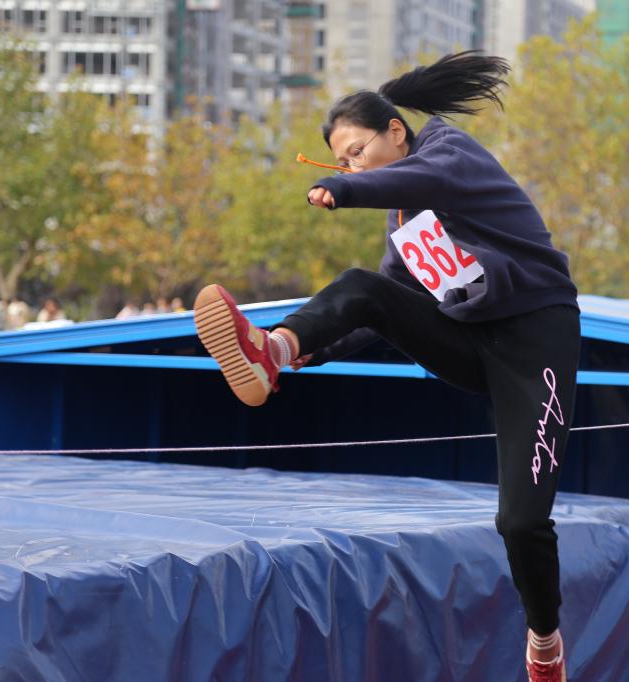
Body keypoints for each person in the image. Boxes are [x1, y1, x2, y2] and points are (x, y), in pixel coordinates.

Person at [193, 51, 579, 682]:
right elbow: (376, 314)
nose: (351, 167)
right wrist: (313, 349)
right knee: (364, 287)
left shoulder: (449, 152)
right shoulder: (404, 226)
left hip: (536, 345)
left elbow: (412, 180)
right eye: (342, 162)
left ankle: (545, 640)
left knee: (520, 521)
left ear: (396, 131)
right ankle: (275, 352)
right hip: (470, 346)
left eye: (356, 152)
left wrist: (345, 190)